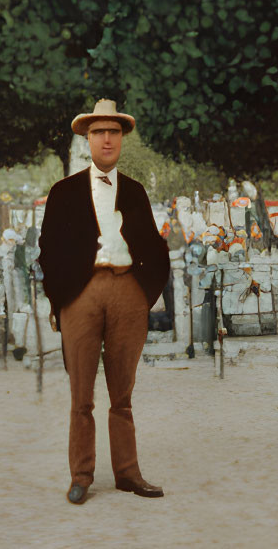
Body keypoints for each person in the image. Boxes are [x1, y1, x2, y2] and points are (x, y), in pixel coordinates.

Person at [38, 99, 170, 505]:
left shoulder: (135, 191)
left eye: (114, 132)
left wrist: (143, 293)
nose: (107, 139)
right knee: (82, 393)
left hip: (127, 290)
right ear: (86, 139)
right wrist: (63, 300)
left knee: (122, 393)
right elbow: (48, 250)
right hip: (81, 294)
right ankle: (81, 476)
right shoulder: (63, 192)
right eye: (99, 132)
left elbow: (155, 247)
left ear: (122, 139)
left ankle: (128, 474)